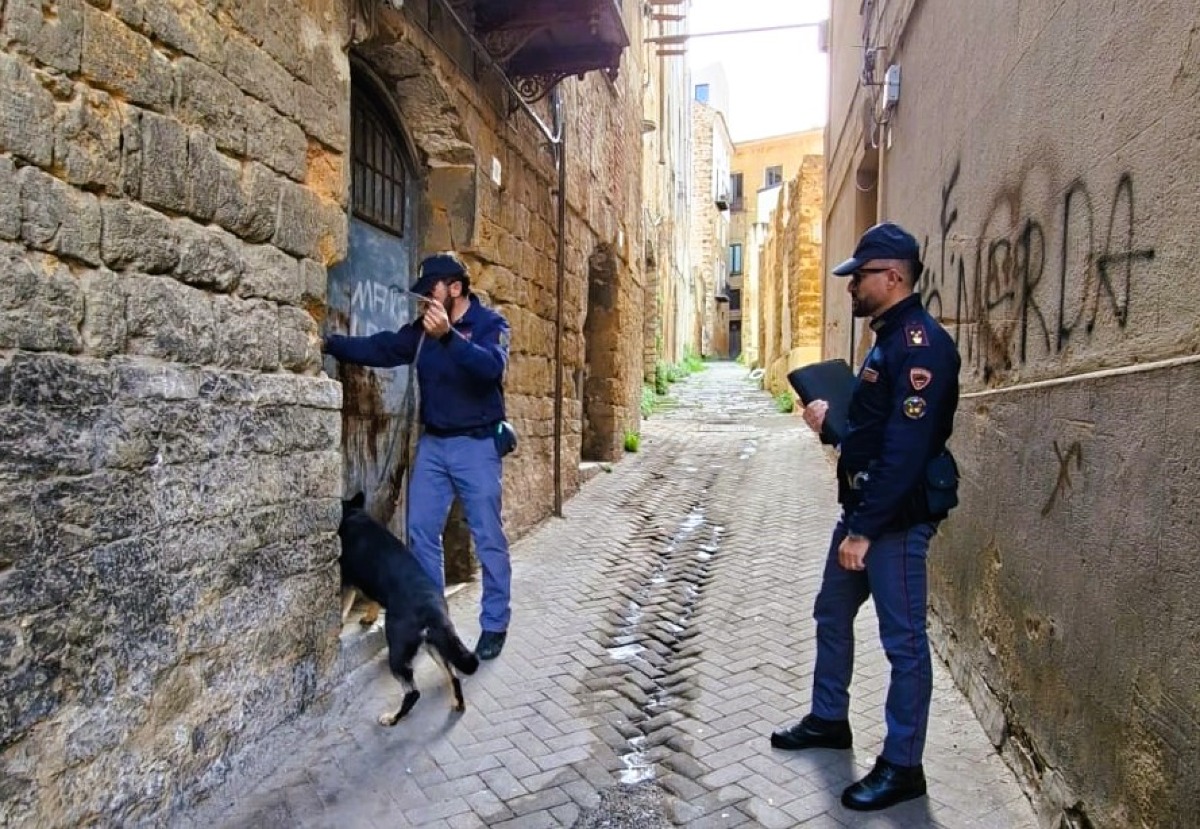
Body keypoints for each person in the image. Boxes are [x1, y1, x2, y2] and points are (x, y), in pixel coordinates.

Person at [769, 223, 961, 811]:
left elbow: (905, 452)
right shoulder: (887, 340)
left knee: (904, 644)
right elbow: (872, 430)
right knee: (831, 610)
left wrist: (863, 531)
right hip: (865, 510)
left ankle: (903, 766)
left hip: (892, 520)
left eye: (860, 277)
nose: (851, 286)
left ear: (894, 276)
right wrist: (831, 424)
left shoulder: (922, 347)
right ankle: (829, 719)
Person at [322, 252, 513, 661]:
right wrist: (331, 344)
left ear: (455, 288)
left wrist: (450, 337)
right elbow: (385, 347)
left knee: (488, 537)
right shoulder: (423, 331)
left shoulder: (490, 325)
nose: (424, 299)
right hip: (434, 445)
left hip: (477, 446)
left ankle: (495, 623)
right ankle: (436, 619)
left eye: (431, 291)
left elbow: (490, 369)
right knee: (422, 531)